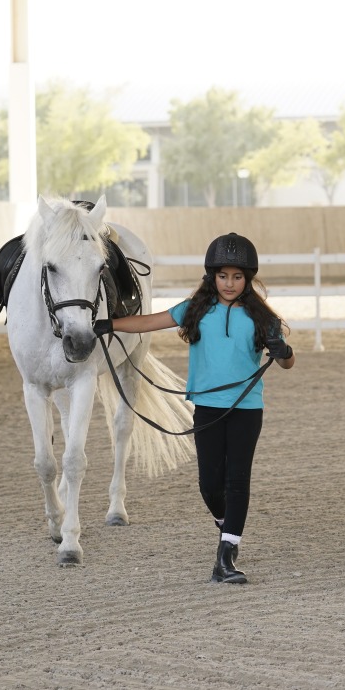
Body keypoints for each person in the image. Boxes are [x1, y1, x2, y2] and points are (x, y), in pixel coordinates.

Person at [97, 233, 296, 584]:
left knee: (238, 480)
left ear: (247, 278)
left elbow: (287, 363)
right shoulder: (196, 309)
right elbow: (148, 322)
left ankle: (226, 555)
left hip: (246, 409)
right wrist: (109, 325)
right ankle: (227, 527)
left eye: (237, 277)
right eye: (223, 276)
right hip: (206, 407)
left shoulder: (262, 317)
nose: (230, 283)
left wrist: (283, 351)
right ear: (212, 277)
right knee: (209, 484)